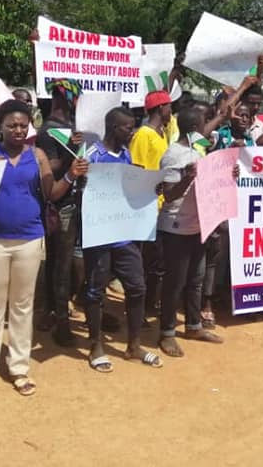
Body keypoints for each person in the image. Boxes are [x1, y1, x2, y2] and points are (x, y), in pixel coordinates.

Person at [0, 100, 84, 399]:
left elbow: (51, 193)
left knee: (22, 305)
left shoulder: (37, 155)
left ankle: (19, 368)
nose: (18, 130)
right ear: (0, 127)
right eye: (12, 125)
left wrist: (71, 174)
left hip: (30, 239)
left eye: (23, 125)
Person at [81, 106, 164, 373]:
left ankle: (134, 346)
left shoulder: (127, 154)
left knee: (137, 287)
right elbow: (83, 192)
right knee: (95, 291)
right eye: (128, 127)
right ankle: (96, 345)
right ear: (114, 128)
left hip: (125, 235)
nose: (132, 131)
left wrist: (150, 187)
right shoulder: (92, 156)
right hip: (99, 236)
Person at [157, 106, 227, 358]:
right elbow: (168, 194)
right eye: (205, 122)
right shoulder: (173, 155)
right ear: (196, 128)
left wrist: (228, 175)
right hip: (176, 227)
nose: (207, 126)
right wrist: (187, 178)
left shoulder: (196, 151)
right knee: (175, 283)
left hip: (198, 225)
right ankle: (166, 333)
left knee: (196, 280)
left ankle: (193, 326)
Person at [34, 79, 85, 346]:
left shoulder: (75, 128)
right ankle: (60, 320)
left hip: (77, 200)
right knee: (61, 264)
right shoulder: (48, 131)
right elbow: (49, 167)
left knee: (61, 262)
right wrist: (70, 152)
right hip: (61, 204)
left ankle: (53, 309)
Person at [129, 89, 173, 319]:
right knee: (145, 259)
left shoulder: (162, 133)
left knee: (157, 259)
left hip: (160, 205)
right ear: (160, 108)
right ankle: (140, 308)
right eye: (169, 106)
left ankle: (149, 303)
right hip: (146, 206)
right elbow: (135, 169)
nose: (171, 111)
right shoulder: (143, 135)